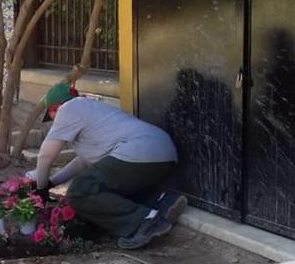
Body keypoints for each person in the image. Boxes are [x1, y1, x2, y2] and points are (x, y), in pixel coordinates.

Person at [34, 82, 187, 249]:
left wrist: (40, 188)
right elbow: (83, 161)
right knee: (108, 187)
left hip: (137, 153)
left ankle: (146, 221)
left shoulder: (69, 108)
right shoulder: (93, 110)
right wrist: (51, 183)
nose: (53, 122)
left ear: (55, 108)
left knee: (80, 191)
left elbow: (45, 156)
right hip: (164, 155)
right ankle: (162, 200)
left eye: (51, 117)